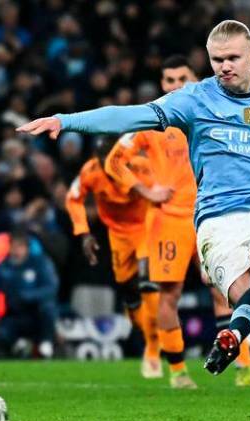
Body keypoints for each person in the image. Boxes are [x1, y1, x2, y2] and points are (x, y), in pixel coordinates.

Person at [18, 20, 250, 421]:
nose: (224, 67)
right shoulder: (194, 99)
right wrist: (66, 120)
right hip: (216, 224)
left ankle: (236, 331)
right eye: (216, 60)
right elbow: (131, 116)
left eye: (232, 58)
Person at [103, 55, 198, 389]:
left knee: (225, 291)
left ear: (195, 80)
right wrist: (145, 190)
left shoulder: (212, 112)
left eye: (182, 79)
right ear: (162, 84)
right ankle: (175, 370)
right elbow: (114, 161)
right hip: (168, 219)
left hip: (211, 215)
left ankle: (246, 368)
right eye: (169, 80)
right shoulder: (151, 120)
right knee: (165, 295)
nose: (175, 86)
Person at [64, 136, 161, 380]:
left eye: (111, 157)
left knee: (147, 279)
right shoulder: (90, 171)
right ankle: (147, 334)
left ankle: (153, 348)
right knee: (129, 289)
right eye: (101, 158)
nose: (107, 163)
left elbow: (161, 196)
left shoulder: (141, 167)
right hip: (118, 234)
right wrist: (84, 233)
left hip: (145, 227)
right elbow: (72, 199)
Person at [0, 229, 58, 359]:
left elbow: (51, 288)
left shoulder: (40, 263)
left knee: (48, 307)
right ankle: (18, 346)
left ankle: (46, 343)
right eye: (13, 246)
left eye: (20, 246)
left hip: (36, 315)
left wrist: (28, 296)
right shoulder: (4, 267)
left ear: (27, 247)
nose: (16, 251)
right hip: (14, 315)